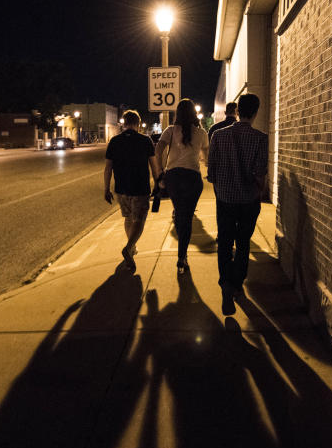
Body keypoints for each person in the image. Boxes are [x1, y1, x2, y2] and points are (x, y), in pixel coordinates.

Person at [207, 93, 268, 315]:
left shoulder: (218, 136)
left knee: (224, 243)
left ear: (238, 110)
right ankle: (236, 284)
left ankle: (225, 284)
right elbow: (260, 173)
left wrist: (221, 186)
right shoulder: (261, 138)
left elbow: (211, 173)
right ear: (255, 112)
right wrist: (257, 192)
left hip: (224, 199)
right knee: (243, 244)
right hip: (248, 200)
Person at [155, 98, 209, 274]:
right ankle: (182, 256)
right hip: (192, 177)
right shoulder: (201, 133)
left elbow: (158, 150)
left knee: (180, 214)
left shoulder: (170, 131)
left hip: (174, 177)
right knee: (186, 217)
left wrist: (159, 172)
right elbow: (207, 157)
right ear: (194, 113)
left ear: (177, 113)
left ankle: (182, 255)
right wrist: (207, 166)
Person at [104, 110, 161, 269]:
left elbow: (108, 167)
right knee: (139, 219)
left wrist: (106, 189)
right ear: (137, 123)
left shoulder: (114, 141)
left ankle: (132, 247)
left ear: (124, 123)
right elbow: (154, 165)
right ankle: (129, 248)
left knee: (128, 217)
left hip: (121, 188)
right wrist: (157, 183)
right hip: (140, 187)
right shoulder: (145, 140)